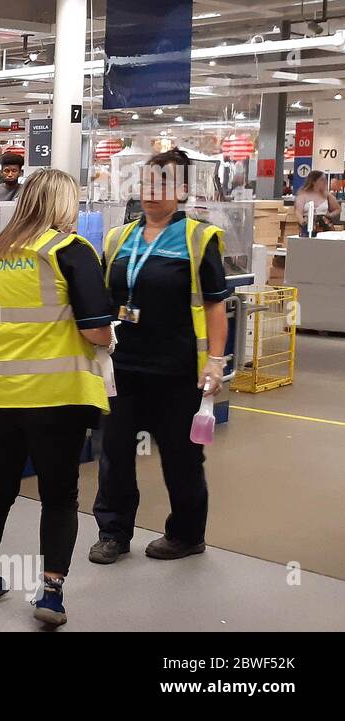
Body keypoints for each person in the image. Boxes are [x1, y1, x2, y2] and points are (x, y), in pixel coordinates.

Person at [0, 168, 114, 627]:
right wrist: (109, 335)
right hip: (55, 394)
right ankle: (49, 595)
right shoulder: (70, 250)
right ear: (63, 205)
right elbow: (96, 329)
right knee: (59, 494)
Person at [90, 149, 230, 565]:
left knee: (181, 456)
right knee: (114, 453)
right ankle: (113, 532)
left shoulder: (198, 239)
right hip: (122, 368)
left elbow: (215, 305)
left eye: (163, 184)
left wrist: (215, 362)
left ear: (183, 190)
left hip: (177, 370)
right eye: (147, 183)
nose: (151, 192)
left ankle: (187, 534)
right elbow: (105, 297)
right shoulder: (118, 238)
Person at [294, 170, 340, 235]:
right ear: (314, 182)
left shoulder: (327, 195)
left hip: (325, 227)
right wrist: (303, 223)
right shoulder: (303, 194)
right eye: (322, 180)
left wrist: (330, 215)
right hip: (308, 225)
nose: (325, 182)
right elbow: (298, 211)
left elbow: (337, 209)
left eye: (325, 179)